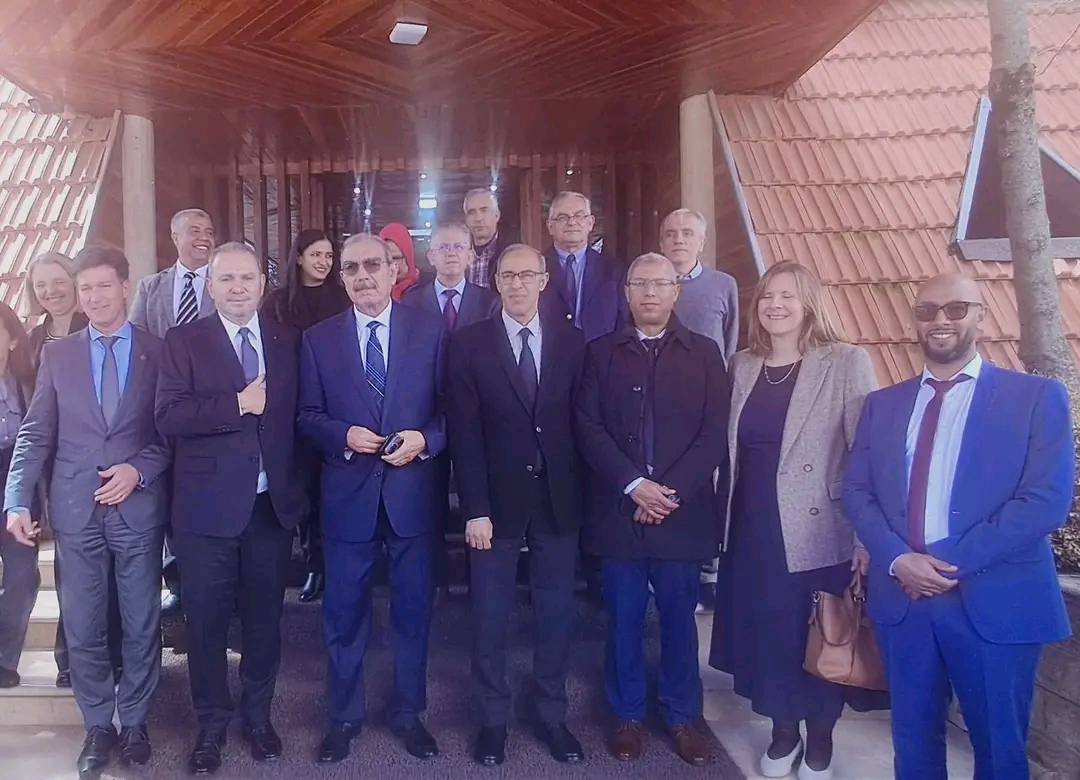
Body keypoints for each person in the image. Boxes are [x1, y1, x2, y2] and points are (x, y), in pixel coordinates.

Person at [844, 273, 1074, 780]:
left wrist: (946, 563)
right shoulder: (883, 405)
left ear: (981, 315)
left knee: (999, 753)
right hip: (904, 602)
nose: (940, 320)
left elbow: (1045, 501)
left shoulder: (1036, 398)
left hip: (996, 602)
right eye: (927, 311)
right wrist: (899, 559)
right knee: (913, 748)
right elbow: (856, 490)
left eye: (956, 308)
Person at [709, 260, 885, 780]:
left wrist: (866, 537)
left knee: (818, 633)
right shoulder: (742, 365)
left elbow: (868, 453)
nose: (775, 305)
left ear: (809, 303)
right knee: (769, 635)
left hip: (819, 529)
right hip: (752, 525)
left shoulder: (845, 361)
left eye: (787, 295)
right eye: (767, 296)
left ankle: (820, 740)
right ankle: (783, 731)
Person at [5, 246, 170, 777]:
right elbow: (35, 433)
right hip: (76, 512)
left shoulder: (157, 351)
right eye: (86, 289)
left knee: (141, 621)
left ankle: (136, 722)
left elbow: (171, 433)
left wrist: (137, 471)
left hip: (137, 508)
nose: (94, 298)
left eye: (103, 286)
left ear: (125, 287)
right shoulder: (60, 355)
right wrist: (15, 500)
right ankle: (98, 725)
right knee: (82, 624)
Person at [156, 242, 308, 775]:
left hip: (269, 510)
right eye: (227, 279)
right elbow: (169, 415)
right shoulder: (184, 341)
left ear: (262, 284)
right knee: (207, 626)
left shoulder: (287, 340)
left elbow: (298, 419)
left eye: (247, 278)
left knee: (266, 622)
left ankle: (258, 717)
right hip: (205, 514)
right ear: (210, 286)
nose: (238, 287)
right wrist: (237, 404)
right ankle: (211, 725)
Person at [575, 253, 729, 767]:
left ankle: (682, 717)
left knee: (679, 620)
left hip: (681, 514)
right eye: (640, 283)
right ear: (626, 291)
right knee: (622, 619)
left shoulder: (705, 353)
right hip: (619, 510)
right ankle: (627, 716)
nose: (649, 293)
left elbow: (714, 433)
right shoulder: (600, 353)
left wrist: (667, 493)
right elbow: (587, 426)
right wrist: (634, 486)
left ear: (676, 291)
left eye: (660, 284)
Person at [299, 234, 446, 765]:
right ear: (341, 278)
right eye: (351, 268)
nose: (362, 276)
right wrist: (342, 434)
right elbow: (305, 416)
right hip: (348, 498)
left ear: (393, 270)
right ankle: (343, 716)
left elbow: (453, 410)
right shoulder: (318, 339)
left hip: (412, 497)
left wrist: (426, 439)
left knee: (412, 612)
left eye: (372, 266)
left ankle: (408, 713)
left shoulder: (431, 331)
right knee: (343, 614)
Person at [447, 244, 586, 767]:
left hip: (558, 500)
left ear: (545, 280)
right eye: (509, 275)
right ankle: (492, 721)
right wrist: (474, 508)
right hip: (494, 505)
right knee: (490, 616)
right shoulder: (468, 344)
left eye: (528, 275)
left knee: (555, 614)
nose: (519, 284)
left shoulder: (573, 342)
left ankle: (552, 716)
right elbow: (464, 433)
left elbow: (581, 425)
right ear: (497, 282)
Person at [22, 251, 122, 690]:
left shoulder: (101, 325)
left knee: (112, 573)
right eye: (41, 285)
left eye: (58, 280)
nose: (51, 291)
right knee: (71, 571)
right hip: (55, 467)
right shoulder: (31, 341)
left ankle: (112, 654)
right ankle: (70, 658)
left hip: (103, 463)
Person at [129, 207, 217, 617]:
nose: (204, 237)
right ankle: (177, 584)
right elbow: (137, 342)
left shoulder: (223, 282)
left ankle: (219, 587)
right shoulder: (152, 288)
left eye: (209, 231)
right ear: (175, 237)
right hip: (163, 407)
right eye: (194, 230)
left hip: (212, 407)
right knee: (169, 500)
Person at [402, 222, 497, 597]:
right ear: (430, 256)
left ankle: (479, 583)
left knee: (479, 498)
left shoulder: (489, 301)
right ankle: (436, 580)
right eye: (443, 247)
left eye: (459, 247)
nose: (452, 254)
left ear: (471, 255)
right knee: (430, 501)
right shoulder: (411, 301)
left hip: (478, 413)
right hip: (426, 414)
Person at [261, 228, 350, 604]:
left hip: (335, 404)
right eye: (316, 255)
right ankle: (314, 564)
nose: (323, 262)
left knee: (333, 488)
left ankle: (334, 563)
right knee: (302, 488)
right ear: (298, 257)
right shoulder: (277, 302)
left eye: (329, 256)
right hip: (291, 406)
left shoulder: (342, 298)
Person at [658, 207, 741, 612]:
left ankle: (707, 571)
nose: (679, 239)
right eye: (671, 233)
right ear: (661, 241)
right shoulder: (650, 283)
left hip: (705, 402)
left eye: (687, 233)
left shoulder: (723, 285)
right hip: (659, 403)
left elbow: (730, 343)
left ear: (701, 242)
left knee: (704, 483)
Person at [0, 302, 43, 688]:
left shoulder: (30, 383)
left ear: (13, 340)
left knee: (22, 575)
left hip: (19, 486)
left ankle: (4, 660)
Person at [540, 191, 627, 342]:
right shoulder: (536, 268)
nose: (571, 222)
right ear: (550, 226)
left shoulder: (614, 270)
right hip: (549, 352)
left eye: (579, 216)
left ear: (590, 223)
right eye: (562, 217)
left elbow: (624, 321)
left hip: (602, 354)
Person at [463, 188, 513, 289]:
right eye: (472, 212)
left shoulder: (512, 254)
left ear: (497, 215)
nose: (478, 218)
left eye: (484, 210)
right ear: (466, 219)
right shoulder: (458, 254)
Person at [381, 222, 420, 301]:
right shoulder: (374, 293)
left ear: (408, 257)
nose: (391, 265)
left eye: (395, 258)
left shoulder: (426, 290)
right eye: (386, 259)